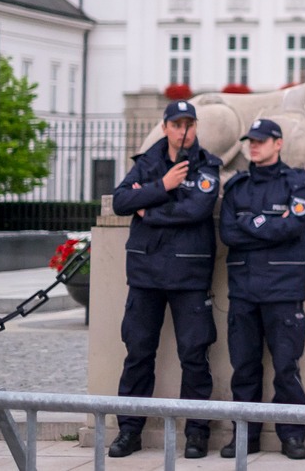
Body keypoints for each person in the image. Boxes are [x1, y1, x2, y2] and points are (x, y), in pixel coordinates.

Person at [108, 100, 221, 459]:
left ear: (196, 127)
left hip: (189, 275)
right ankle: (129, 430)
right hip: (146, 275)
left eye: (189, 124)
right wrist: (163, 185)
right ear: (165, 127)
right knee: (138, 353)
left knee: (195, 356)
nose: (183, 131)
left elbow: (196, 209)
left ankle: (197, 432)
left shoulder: (206, 165)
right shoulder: (147, 163)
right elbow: (121, 201)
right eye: (177, 124)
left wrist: (150, 210)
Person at [218, 118, 305, 460]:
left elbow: (294, 226)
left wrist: (251, 223)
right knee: (244, 369)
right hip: (244, 290)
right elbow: (228, 233)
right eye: (251, 141)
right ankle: (246, 435)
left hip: (283, 290)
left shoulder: (295, 182)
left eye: (261, 140)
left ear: (278, 143)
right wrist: (270, 226)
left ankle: (292, 436)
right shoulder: (238, 186)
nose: (253, 146)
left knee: (286, 368)